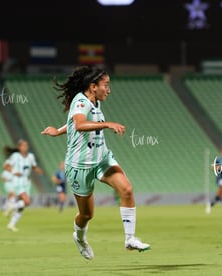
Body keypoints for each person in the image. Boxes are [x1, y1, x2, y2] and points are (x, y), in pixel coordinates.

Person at [41, 66, 150, 260]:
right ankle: (80, 238)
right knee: (86, 215)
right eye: (105, 85)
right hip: (80, 167)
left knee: (126, 190)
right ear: (93, 86)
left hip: (101, 159)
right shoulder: (80, 101)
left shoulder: (95, 102)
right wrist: (108, 124)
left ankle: (130, 239)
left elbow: (74, 122)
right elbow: (80, 124)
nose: (109, 90)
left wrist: (58, 131)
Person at [3, 139, 44, 232]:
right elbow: (6, 166)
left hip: (26, 182)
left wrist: (39, 170)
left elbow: (33, 166)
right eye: (24, 145)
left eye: (26, 145)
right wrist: (14, 171)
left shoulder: (30, 156)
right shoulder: (15, 156)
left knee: (22, 206)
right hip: (18, 181)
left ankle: (11, 224)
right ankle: (11, 207)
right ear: (19, 147)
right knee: (27, 202)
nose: (26, 147)